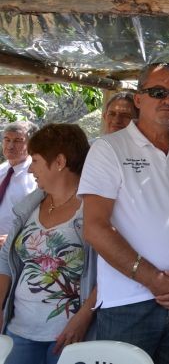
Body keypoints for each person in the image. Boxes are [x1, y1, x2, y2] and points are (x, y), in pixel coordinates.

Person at [79, 62, 169, 364]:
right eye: (158, 92)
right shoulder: (108, 148)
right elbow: (95, 228)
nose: (168, 100)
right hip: (127, 304)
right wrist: (153, 279)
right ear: (139, 98)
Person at [0, 124, 96, 364]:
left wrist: (83, 317)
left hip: (69, 335)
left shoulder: (93, 209)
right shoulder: (29, 206)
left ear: (60, 162)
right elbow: (5, 259)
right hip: (19, 330)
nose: (30, 168)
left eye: (35, 160)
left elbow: (109, 272)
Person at [0, 122, 39, 248]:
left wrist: (15, 238)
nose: (10, 146)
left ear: (31, 144)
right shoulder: (1, 170)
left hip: (15, 247)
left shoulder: (37, 177)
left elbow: (40, 217)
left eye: (18, 141)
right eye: (7, 139)